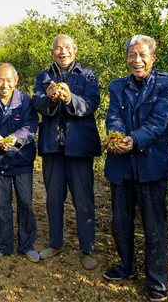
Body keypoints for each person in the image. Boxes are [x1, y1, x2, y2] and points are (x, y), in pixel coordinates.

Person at [102, 35, 168, 302]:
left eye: (142, 55)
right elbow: (113, 116)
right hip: (121, 166)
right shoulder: (117, 86)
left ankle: (157, 281)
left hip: (151, 166)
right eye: (132, 55)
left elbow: (159, 122)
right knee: (120, 222)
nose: (137, 60)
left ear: (153, 57)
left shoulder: (166, 85)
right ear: (127, 58)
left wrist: (133, 141)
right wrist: (118, 136)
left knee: (154, 226)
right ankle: (126, 266)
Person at [31, 34, 102, 270]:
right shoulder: (44, 76)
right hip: (53, 147)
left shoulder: (88, 75)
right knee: (53, 199)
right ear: (52, 52)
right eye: (58, 48)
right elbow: (36, 102)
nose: (63, 52)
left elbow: (92, 103)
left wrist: (70, 98)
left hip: (80, 147)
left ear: (75, 49)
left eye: (67, 48)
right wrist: (50, 100)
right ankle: (56, 242)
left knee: (83, 200)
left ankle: (87, 249)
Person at [0, 63, 40, 263]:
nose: (5, 84)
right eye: (0, 80)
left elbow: (31, 125)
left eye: (9, 80)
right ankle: (3, 244)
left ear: (16, 80)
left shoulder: (25, 100)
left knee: (25, 204)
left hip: (22, 160)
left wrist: (15, 138)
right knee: (2, 205)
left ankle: (26, 244)